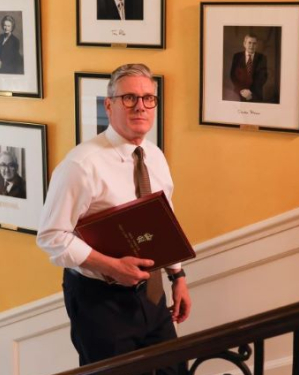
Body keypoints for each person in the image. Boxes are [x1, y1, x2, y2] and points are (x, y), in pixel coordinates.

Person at [37, 63, 191, 368]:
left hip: (153, 292)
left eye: (149, 98)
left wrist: (178, 276)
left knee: (174, 369)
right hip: (100, 301)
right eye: (129, 98)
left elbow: (163, 224)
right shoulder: (81, 165)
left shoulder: (155, 156)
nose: (140, 107)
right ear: (109, 105)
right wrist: (111, 266)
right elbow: (51, 237)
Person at [229, 33, 268, 102]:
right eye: (249, 43)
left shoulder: (262, 58)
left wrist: (250, 92)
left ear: (257, 45)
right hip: (239, 93)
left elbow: (263, 77)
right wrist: (242, 90)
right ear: (244, 44)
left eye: (254, 43)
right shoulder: (237, 56)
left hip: (255, 95)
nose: (251, 46)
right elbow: (233, 75)